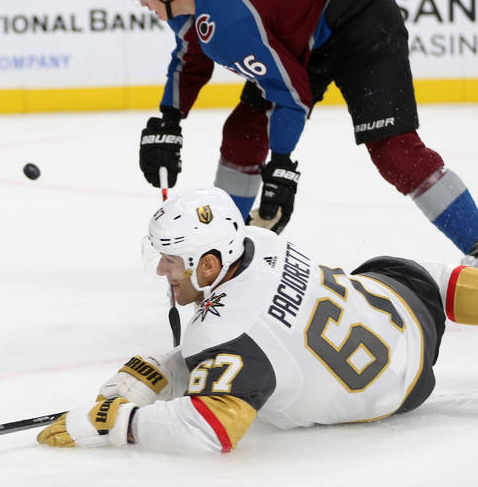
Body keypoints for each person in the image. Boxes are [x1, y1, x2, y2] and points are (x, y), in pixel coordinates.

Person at [122, 0, 478, 260]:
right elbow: (191, 55)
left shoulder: (228, 21)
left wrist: (281, 166)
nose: (141, 2)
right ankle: (224, 245)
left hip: (358, 14)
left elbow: (290, 94)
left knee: (394, 150)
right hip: (307, 26)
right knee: (243, 132)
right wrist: (170, 118)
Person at [37, 186, 477, 453]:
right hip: (401, 304)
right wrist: (163, 371)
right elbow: (261, 336)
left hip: (397, 391)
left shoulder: (222, 334)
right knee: (425, 274)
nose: (160, 271)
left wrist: (118, 423)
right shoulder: (256, 240)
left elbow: (210, 431)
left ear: (208, 266)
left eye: (170, 260)